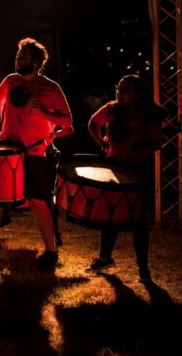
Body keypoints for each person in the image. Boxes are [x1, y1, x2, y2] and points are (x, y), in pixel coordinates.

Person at [0, 38, 72, 271]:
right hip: (7, 149)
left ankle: (51, 251)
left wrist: (44, 111)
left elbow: (67, 122)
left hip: (35, 151)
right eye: (17, 56)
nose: (17, 59)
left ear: (35, 62)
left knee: (38, 200)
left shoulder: (51, 88)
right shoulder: (10, 81)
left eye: (23, 57)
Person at [86, 75, 165, 280]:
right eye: (118, 88)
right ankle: (104, 258)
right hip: (113, 169)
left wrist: (138, 150)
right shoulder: (111, 109)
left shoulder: (148, 114)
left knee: (138, 221)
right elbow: (93, 123)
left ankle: (143, 269)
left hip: (137, 172)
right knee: (109, 214)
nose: (119, 92)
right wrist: (101, 143)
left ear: (138, 94)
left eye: (126, 89)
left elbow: (156, 142)